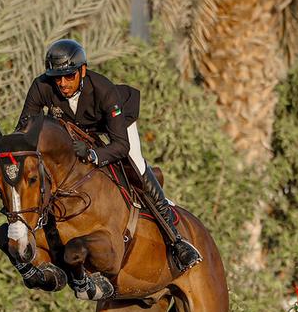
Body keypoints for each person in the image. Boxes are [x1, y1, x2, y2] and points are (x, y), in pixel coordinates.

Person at [14, 38, 202, 273]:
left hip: (115, 123)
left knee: (136, 166)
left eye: (69, 76)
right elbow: (24, 129)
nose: (62, 83)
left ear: (82, 70)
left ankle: (176, 240)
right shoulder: (42, 86)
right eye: (56, 77)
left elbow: (120, 145)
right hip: (77, 127)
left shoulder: (103, 90)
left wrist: (93, 154)